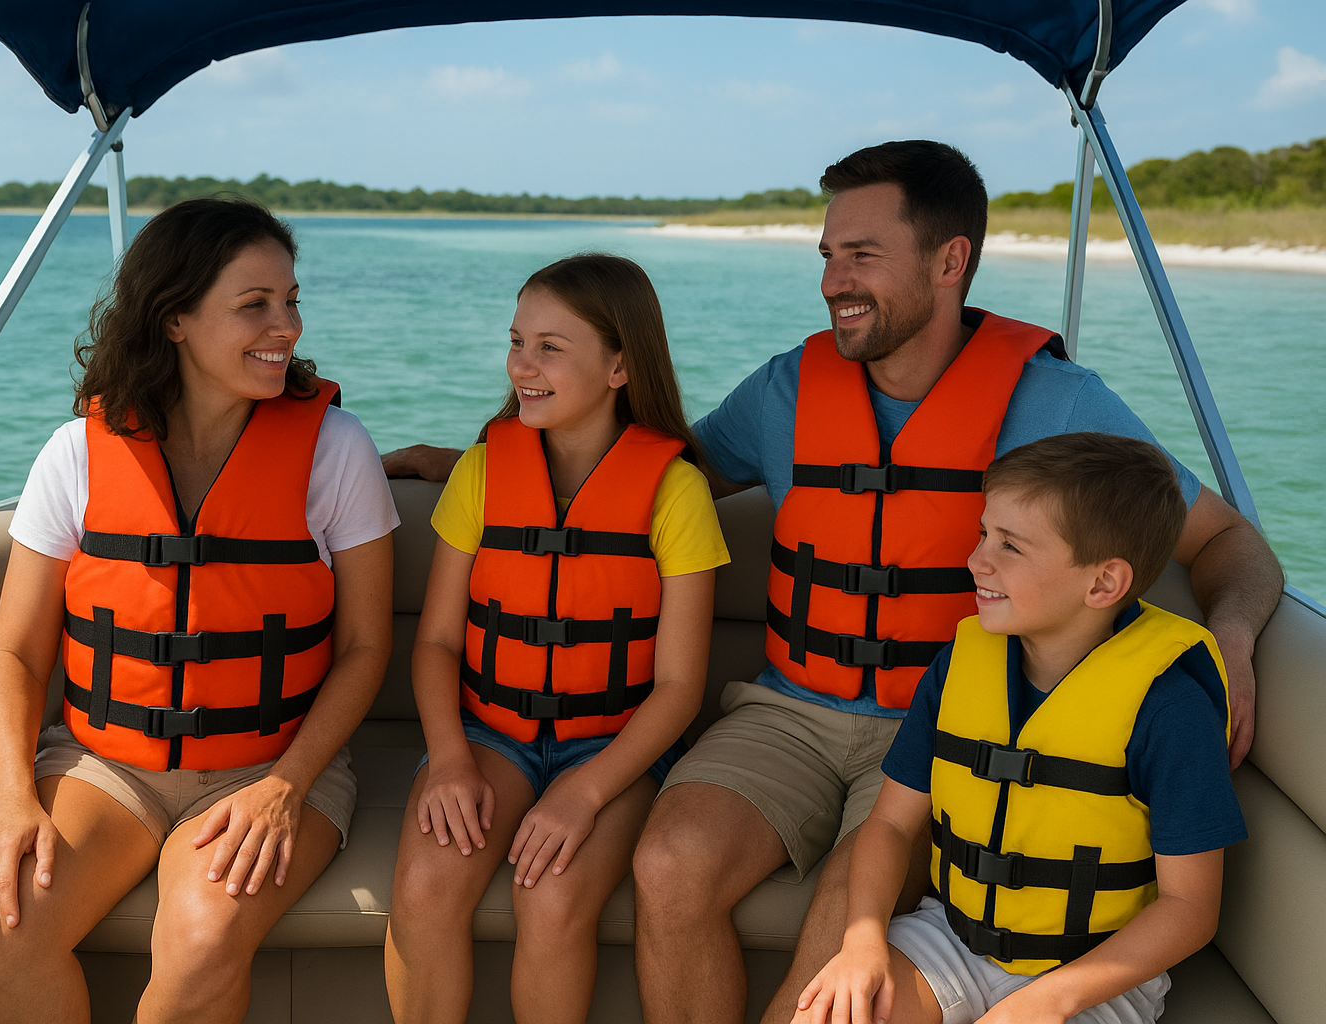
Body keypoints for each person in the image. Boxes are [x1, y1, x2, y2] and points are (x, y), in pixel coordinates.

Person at [379, 140, 1281, 1024]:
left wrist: (1233, 637)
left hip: (943, 724)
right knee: (670, 863)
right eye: (826, 255)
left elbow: (1231, 543)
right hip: (788, 712)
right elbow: (628, 474)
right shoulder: (786, 389)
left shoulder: (1060, 402)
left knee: (841, 918)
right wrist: (471, 461)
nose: (832, 280)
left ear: (949, 260)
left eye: (861, 254)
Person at [0, 196, 397, 1024]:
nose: (289, 326)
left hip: (269, 764)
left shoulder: (337, 451)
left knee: (201, 942)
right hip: (104, 764)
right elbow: (14, 653)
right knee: (4, 929)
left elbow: (367, 647)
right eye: (255, 305)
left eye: (292, 300)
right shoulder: (76, 455)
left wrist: (285, 786)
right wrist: (11, 799)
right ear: (175, 320)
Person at [794, 431, 1244, 1024]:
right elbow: (890, 826)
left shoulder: (1170, 709)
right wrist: (862, 941)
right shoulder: (960, 664)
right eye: (984, 533)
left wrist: (1048, 1000)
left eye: (1010, 546)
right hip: (950, 939)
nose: (976, 560)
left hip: (1093, 975)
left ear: (1103, 583)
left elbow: (1190, 908)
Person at [383, 253, 728, 1024]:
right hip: (488, 736)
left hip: (612, 750)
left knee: (555, 896)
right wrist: (447, 760)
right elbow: (437, 643)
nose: (521, 366)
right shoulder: (479, 474)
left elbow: (678, 688)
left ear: (618, 367)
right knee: (426, 885)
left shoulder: (677, 493)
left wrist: (587, 789)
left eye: (550, 347)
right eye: (516, 341)